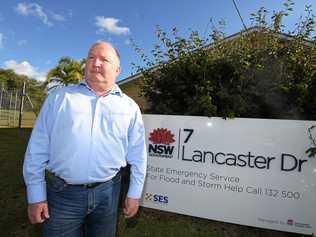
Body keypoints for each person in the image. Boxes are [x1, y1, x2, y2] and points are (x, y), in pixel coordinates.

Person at [23, 41, 147, 237]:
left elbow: (138, 155)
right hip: (62, 195)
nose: (95, 63)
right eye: (91, 57)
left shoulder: (130, 108)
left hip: (108, 193)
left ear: (117, 69)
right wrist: (36, 195)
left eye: (104, 59)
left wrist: (134, 193)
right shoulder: (59, 98)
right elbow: (37, 149)